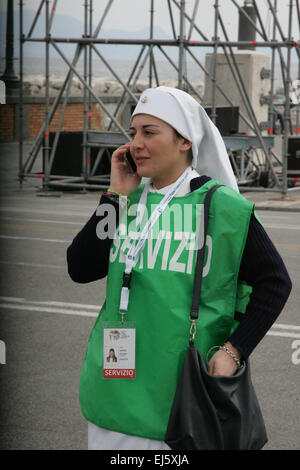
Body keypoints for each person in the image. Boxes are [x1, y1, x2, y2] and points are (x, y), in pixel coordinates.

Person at [66, 86, 292, 450]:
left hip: (183, 397)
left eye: (149, 133)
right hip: (114, 389)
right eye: (133, 132)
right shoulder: (126, 201)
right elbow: (80, 267)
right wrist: (114, 197)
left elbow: (275, 283)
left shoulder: (221, 207)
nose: (135, 143)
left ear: (185, 140)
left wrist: (234, 350)